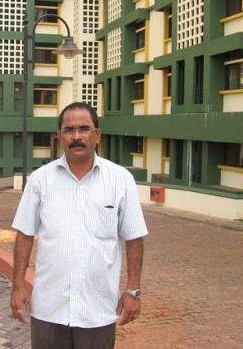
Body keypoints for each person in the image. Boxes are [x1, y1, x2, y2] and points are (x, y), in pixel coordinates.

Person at [10, 102, 149, 349]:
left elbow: (134, 237)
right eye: (68, 130)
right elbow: (24, 234)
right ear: (60, 136)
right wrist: (18, 284)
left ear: (97, 135)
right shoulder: (41, 180)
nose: (76, 136)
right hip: (48, 309)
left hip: (97, 310)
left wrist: (133, 290)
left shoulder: (120, 180)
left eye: (84, 128)